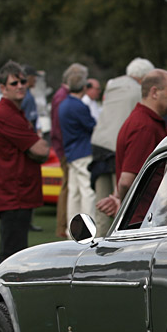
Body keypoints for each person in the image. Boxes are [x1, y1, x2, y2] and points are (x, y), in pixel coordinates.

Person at [0, 61, 51, 264]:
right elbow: (41, 149)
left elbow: (38, 149)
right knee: (10, 258)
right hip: (13, 194)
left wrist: (35, 147)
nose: (20, 86)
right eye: (14, 83)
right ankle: (0, 295)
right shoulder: (6, 114)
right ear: (3, 88)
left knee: (16, 255)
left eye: (23, 81)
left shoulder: (16, 111)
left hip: (19, 192)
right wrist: (36, 146)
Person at [95, 69, 167, 219]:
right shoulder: (144, 126)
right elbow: (126, 181)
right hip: (143, 220)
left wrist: (117, 198)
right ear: (154, 92)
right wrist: (123, 205)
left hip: (145, 217)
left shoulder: (145, 121)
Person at [90, 57, 156, 236]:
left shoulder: (112, 86)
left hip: (99, 144)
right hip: (117, 147)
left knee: (101, 201)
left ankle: (98, 239)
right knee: (119, 202)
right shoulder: (139, 91)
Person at [58, 64, 97, 222]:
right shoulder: (79, 106)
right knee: (87, 191)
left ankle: (71, 227)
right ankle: (89, 227)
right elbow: (91, 126)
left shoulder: (64, 105)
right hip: (83, 152)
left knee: (73, 193)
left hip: (70, 152)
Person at [48, 68, 71, 238]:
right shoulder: (62, 97)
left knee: (67, 185)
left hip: (61, 146)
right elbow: (60, 126)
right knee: (67, 185)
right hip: (65, 148)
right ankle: (62, 226)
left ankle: (62, 225)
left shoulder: (59, 95)